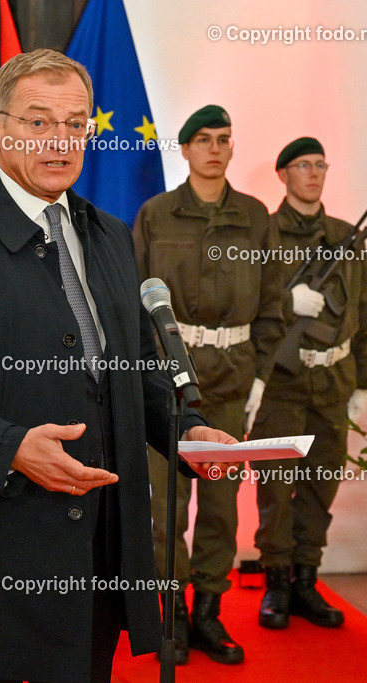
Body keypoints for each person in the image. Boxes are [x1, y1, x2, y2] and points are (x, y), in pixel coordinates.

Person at [0, 49, 235, 682]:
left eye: (75, 124)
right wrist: (9, 447)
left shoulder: (111, 235)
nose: (60, 141)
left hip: (96, 543)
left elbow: (131, 368)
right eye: (38, 123)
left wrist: (185, 430)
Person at [133, 105, 285, 665]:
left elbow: (272, 302)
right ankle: (170, 614)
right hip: (169, 382)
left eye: (224, 139)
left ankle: (208, 614)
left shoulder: (254, 216)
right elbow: (136, 303)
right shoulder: (156, 214)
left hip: (231, 378)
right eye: (203, 139)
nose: (215, 148)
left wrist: (262, 373)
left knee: (221, 508)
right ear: (186, 149)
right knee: (166, 509)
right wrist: (147, 374)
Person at [249, 137, 367, 630]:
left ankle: (307, 579)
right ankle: (276, 583)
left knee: (322, 483)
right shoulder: (265, 235)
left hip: (334, 379)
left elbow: (365, 314)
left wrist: (364, 383)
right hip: (282, 379)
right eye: (303, 165)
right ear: (282, 174)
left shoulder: (347, 237)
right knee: (277, 486)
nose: (314, 173)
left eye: (320, 164)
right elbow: (254, 306)